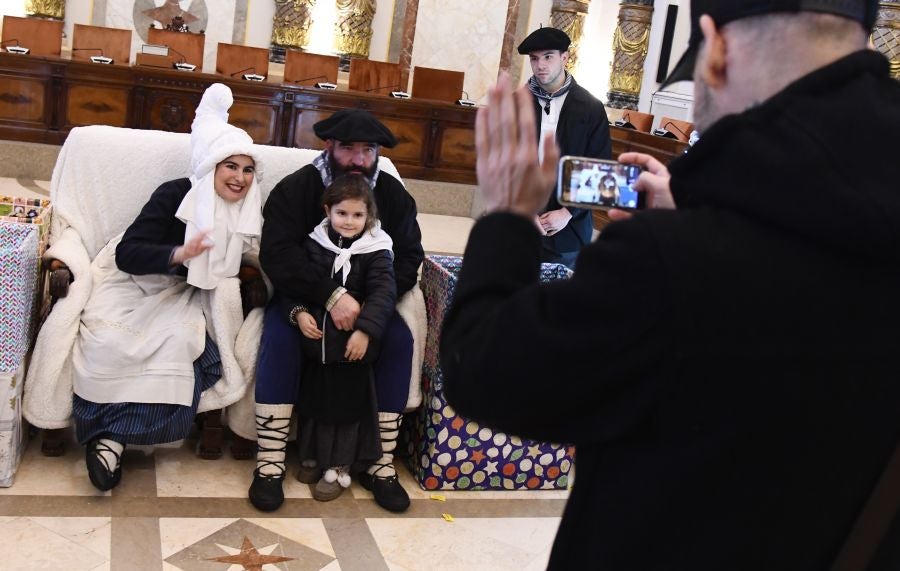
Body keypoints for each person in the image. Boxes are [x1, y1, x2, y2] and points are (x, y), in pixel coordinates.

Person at [441, 1, 900, 569]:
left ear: (717, 48)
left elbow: (484, 369)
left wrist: (510, 214)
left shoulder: (669, 263)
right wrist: (694, 212)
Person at [72, 83, 263, 491]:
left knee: (180, 343)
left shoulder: (248, 209)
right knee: (111, 340)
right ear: (211, 166)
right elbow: (128, 254)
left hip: (183, 295)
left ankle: (116, 438)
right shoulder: (175, 193)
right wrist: (180, 253)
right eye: (231, 166)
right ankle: (105, 437)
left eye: (248, 170)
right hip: (133, 280)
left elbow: (252, 255)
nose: (240, 178)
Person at [249, 109, 424, 513]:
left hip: (370, 303)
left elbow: (408, 258)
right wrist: (331, 296)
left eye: (369, 149)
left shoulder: (394, 196)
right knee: (279, 340)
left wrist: (365, 309)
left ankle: (380, 462)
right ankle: (270, 461)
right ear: (329, 146)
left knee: (399, 341)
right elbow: (277, 255)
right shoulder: (296, 189)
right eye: (348, 148)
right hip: (303, 300)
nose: (359, 159)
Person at [287, 174, 396, 502]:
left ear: (369, 215)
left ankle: (339, 466)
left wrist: (365, 331)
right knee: (315, 403)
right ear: (327, 211)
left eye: (358, 215)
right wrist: (299, 312)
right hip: (318, 345)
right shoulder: (315, 243)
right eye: (342, 213)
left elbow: (383, 293)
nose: (349, 221)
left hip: (353, 347)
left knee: (346, 409)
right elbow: (297, 282)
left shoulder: (376, 250)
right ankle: (311, 456)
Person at [518, 26, 611, 268]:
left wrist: (567, 212)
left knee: (558, 291)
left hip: (569, 229)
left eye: (548, 57)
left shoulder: (590, 108)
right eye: (534, 58)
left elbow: (599, 168)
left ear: (565, 58)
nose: (540, 65)